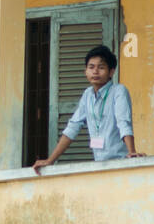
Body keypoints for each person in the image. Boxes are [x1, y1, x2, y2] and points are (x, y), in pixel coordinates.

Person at [31, 44, 145, 172]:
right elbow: (72, 128)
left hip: (121, 162)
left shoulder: (118, 91)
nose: (95, 71)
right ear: (85, 71)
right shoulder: (87, 95)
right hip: (99, 164)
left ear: (111, 71)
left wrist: (132, 152)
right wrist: (50, 160)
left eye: (101, 67)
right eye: (91, 67)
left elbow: (123, 121)